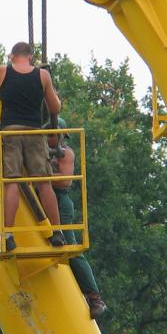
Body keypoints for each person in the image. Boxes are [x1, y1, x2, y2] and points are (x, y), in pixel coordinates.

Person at [0, 41, 63, 253]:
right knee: (44, 183)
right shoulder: (42, 76)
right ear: (31, 56)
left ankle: (7, 234)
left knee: (12, 183)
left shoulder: (3, 71)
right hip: (35, 133)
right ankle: (57, 233)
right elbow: (55, 107)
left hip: (11, 132)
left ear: (11, 56)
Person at [48, 119, 107, 319]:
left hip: (59, 201)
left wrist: (40, 173)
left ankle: (94, 297)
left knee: (71, 249)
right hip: (42, 201)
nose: (51, 139)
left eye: (54, 135)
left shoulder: (66, 153)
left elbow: (64, 180)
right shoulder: (39, 151)